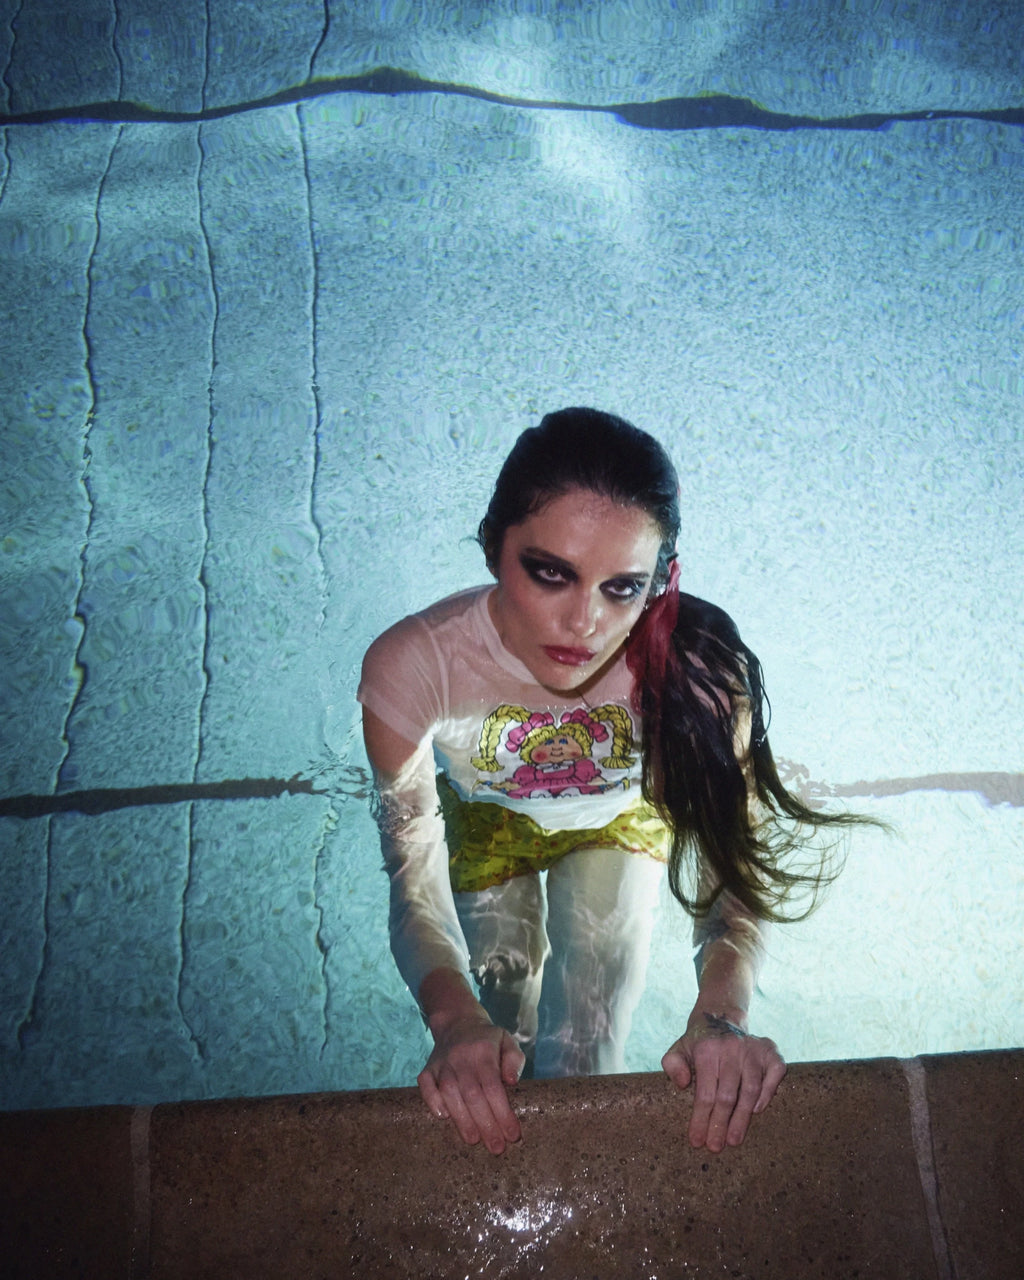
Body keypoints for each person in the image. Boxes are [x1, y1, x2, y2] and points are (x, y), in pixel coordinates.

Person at [359, 407, 859, 1156]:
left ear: (662, 582)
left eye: (621, 588)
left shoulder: (699, 676)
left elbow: (733, 874)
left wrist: (720, 1019)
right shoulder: (416, 666)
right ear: (494, 545)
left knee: (587, 1056)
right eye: (550, 573)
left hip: (623, 824)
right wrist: (453, 1020)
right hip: (491, 824)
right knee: (494, 1039)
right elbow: (411, 872)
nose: (583, 623)